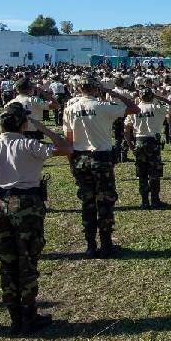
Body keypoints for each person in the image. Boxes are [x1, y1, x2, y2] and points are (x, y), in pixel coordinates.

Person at [0, 102, 72, 334]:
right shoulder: (29, 145)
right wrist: (43, 128)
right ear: (23, 123)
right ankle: (28, 316)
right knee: (27, 262)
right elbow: (67, 148)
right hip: (27, 205)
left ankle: (15, 318)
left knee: (7, 264)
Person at [63, 75, 138, 257]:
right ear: (96, 89)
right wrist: (111, 92)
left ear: (79, 89)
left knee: (87, 202)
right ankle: (106, 244)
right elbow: (133, 107)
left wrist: (71, 163)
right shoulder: (104, 107)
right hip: (101, 158)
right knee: (105, 202)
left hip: (80, 158)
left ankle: (90, 245)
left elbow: (69, 140)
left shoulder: (70, 109)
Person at [125, 82, 171, 209]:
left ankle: (144, 201)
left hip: (139, 141)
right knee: (154, 173)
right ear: (151, 96)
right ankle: (155, 200)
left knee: (142, 174)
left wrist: (130, 145)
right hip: (153, 142)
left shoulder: (134, 109)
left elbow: (126, 130)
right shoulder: (157, 107)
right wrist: (159, 97)